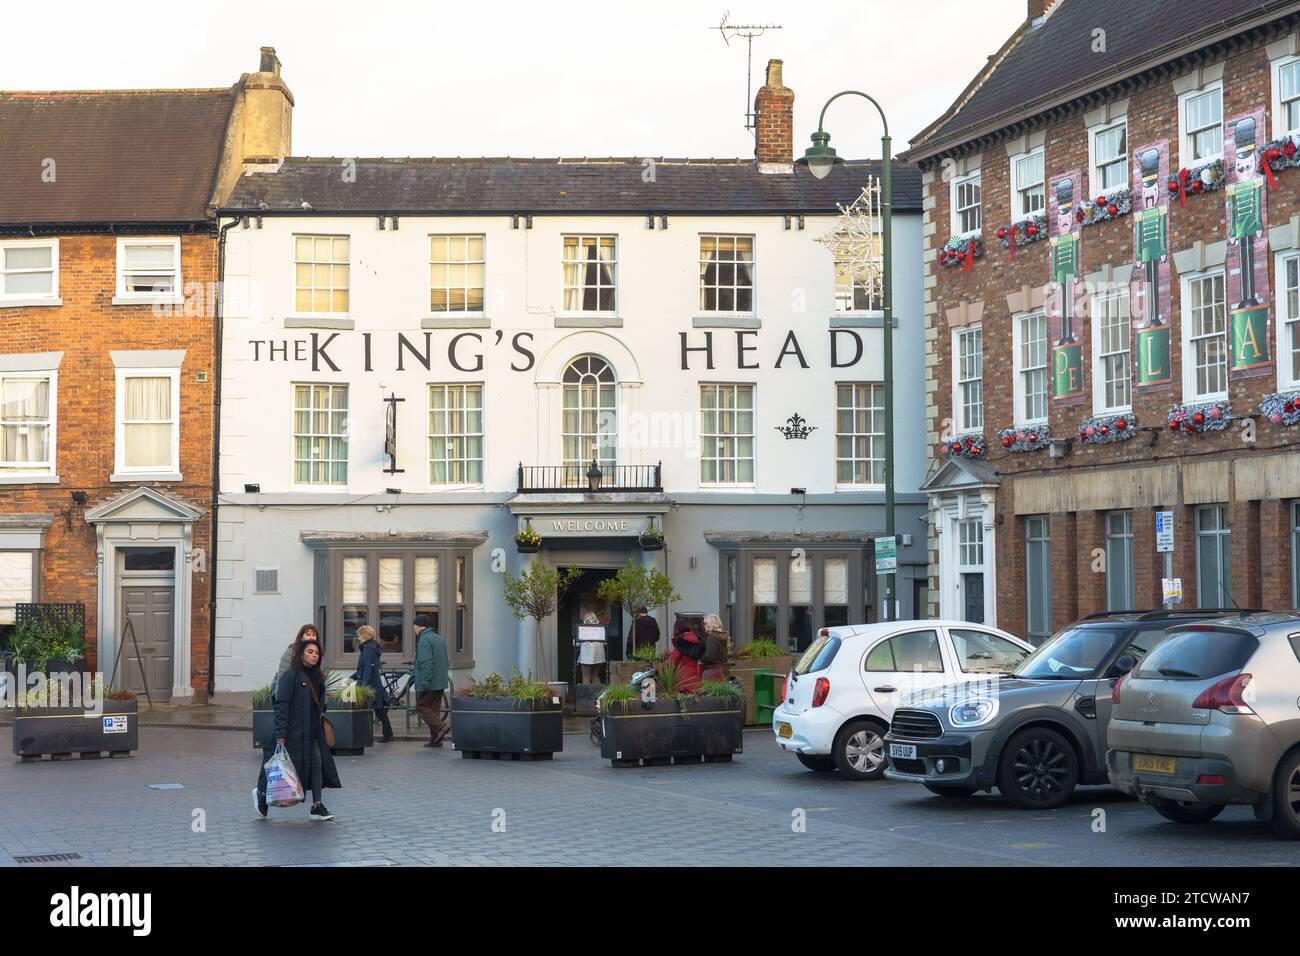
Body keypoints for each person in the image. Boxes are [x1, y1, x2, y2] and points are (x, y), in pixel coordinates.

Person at [255, 637, 341, 821]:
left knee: (317, 765)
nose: (314, 656)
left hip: (313, 731)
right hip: (293, 731)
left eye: (317, 653)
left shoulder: (318, 677)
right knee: (282, 767)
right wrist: (281, 733)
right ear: (301, 655)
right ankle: (262, 795)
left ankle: (317, 806)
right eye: (310, 652)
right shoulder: (290, 675)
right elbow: (282, 705)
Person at [350, 625, 394, 742]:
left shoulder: (368, 648)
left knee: (373, 711)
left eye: (359, 635)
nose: (358, 638)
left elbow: (367, 668)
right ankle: (388, 734)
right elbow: (364, 669)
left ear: (364, 636)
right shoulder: (372, 647)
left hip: (370, 685)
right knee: (380, 711)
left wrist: (363, 685)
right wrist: (352, 678)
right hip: (374, 683)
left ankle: (364, 735)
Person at [412, 614, 450, 748]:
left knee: (420, 706)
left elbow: (426, 662)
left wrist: (425, 683)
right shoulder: (439, 639)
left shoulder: (424, 640)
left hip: (430, 682)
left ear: (420, 627)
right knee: (434, 710)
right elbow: (445, 660)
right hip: (440, 681)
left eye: (414, 626)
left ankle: (441, 727)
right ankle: (435, 740)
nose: (414, 629)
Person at [273, 623, 319, 701]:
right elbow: (282, 676)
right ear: (301, 637)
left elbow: (320, 678)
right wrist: (280, 700)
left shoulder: (318, 653)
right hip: (293, 696)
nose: (311, 637)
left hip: (311, 698)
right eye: (308, 634)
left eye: (313, 635)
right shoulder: (291, 652)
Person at [666, 618, 704, 693]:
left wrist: (659, 670)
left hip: (683, 678)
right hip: (695, 676)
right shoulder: (697, 640)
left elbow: (672, 661)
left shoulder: (681, 642)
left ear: (677, 629)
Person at [699, 614, 731, 682]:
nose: (704, 626)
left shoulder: (712, 638)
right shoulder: (722, 636)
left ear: (709, 625)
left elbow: (709, 657)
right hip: (722, 669)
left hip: (713, 672)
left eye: (705, 624)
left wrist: (700, 657)